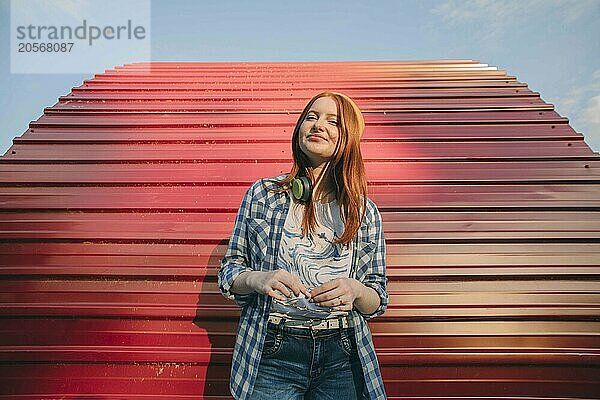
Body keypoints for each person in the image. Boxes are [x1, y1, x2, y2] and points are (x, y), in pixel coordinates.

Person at [218, 91, 388, 399]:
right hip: (272, 348)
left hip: (343, 352)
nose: (317, 125)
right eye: (311, 117)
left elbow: (378, 298)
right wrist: (259, 278)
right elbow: (229, 272)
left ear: (348, 137)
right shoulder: (263, 194)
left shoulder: (365, 212)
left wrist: (356, 291)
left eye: (332, 120)